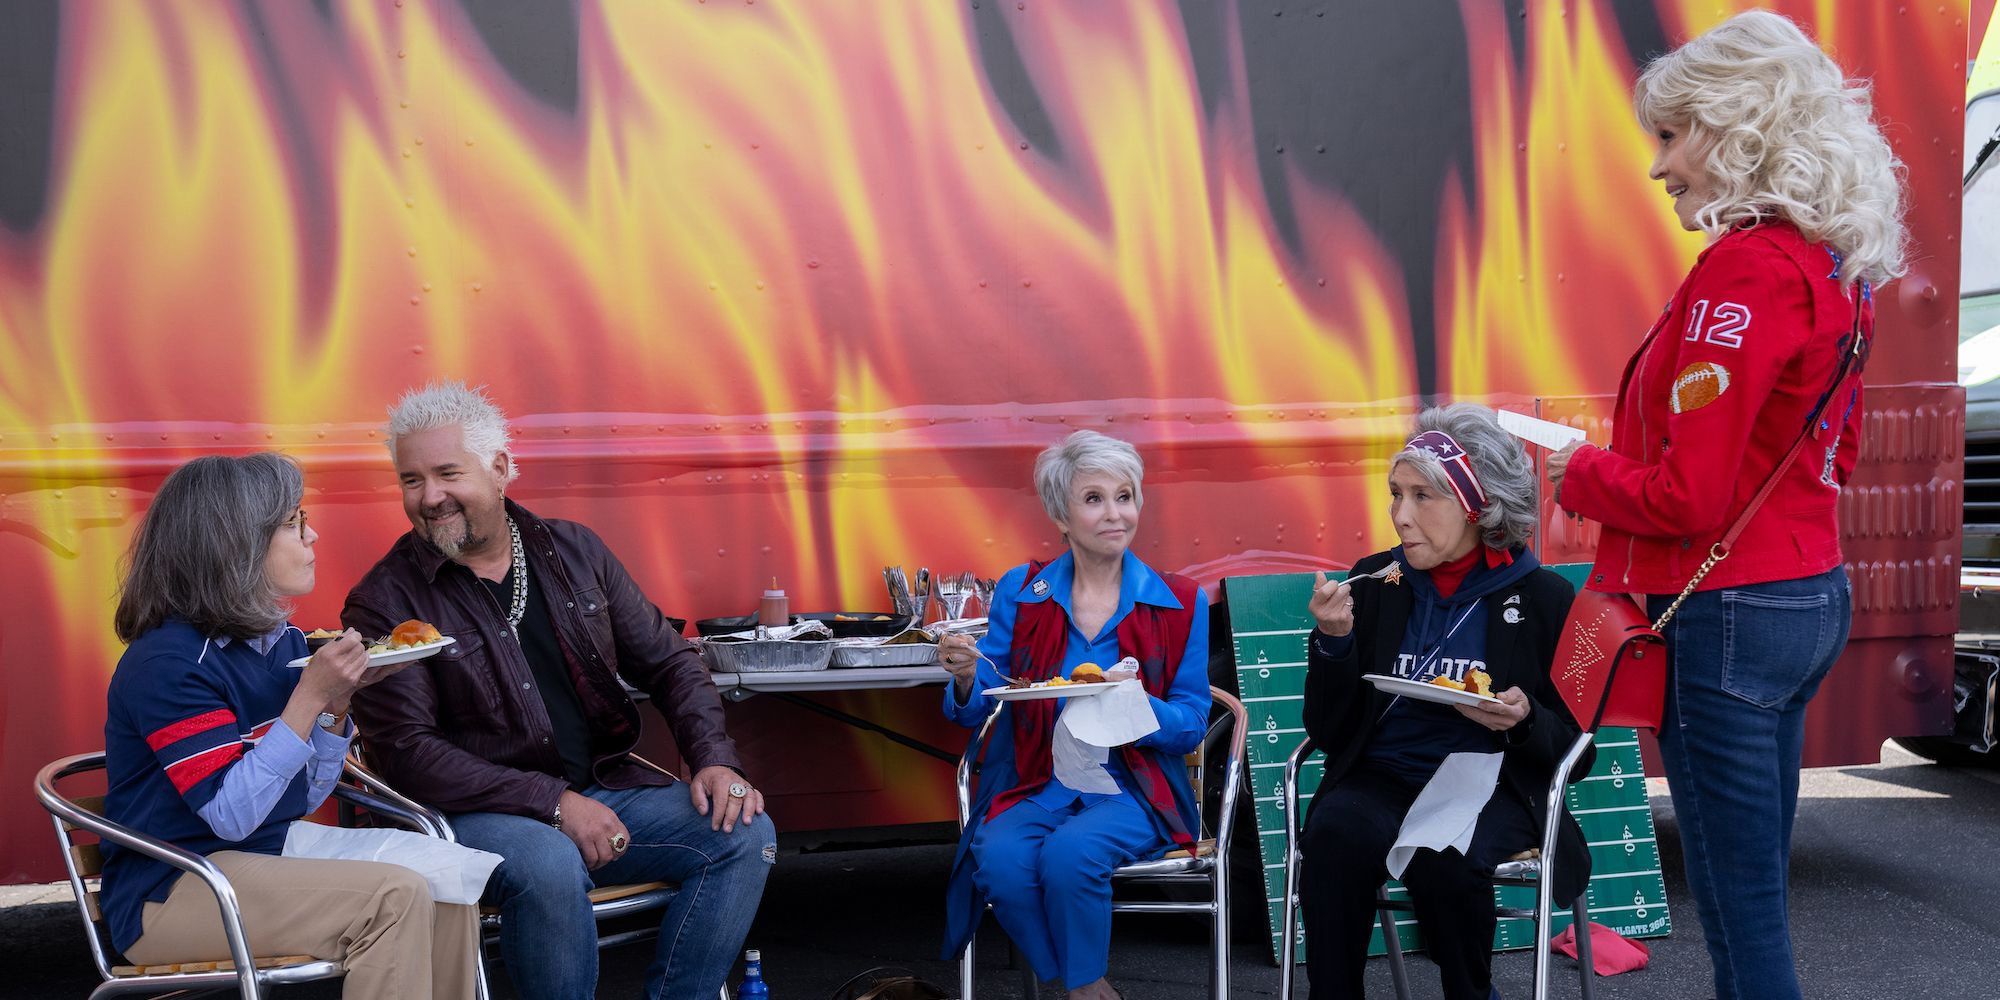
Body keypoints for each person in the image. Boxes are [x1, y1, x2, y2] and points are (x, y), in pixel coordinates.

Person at [1546, 12, 1906, 1000]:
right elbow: (1833, 454)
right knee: (1753, 895)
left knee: (1743, 924)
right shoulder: (1832, 262)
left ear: (1735, 127)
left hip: (1729, 613)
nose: (1658, 167)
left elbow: (1682, 495)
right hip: (1803, 594)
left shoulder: (1744, 270)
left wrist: (1570, 471)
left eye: (1670, 138)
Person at [343, 381, 775, 1000]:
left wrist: (713, 757)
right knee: (548, 862)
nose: (430, 497)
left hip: (599, 789)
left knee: (744, 832)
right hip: (470, 817)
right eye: (411, 480)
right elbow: (408, 753)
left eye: (447, 473)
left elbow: (672, 663)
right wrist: (553, 803)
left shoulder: (575, 551)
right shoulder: (385, 599)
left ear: (497, 470)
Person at [101, 453, 477, 999]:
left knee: (451, 882)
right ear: (236, 543)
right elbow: (231, 817)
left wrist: (337, 704)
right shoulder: (169, 662)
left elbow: (298, 799)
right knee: (392, 896)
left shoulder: (284, 647)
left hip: (263, 857)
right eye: (294, 522)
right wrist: (309, 699)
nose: (314, 534)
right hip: (172, 889)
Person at [1299, 405, 1590, 1000]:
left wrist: (1523, 719)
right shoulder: (1374, 582)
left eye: (1423, 496)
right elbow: (1329, 732)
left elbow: (1576, 752)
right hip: (1384, 774)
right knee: (1334, 834)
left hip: (1490, 783)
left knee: (1442, 856)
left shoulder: (1544, 599)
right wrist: (1333, 646)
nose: (1401, 516)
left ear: (1478, 504)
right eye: (1395, 494)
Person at [937, 430, 1212, 1000]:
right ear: (1060, 514)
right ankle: (1084, 990)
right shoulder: (1024, 590)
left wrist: (1131, 703)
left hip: (1136, 787)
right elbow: (988, 696)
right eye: (1093, 499)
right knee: (1004, 862)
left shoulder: (1182, 602)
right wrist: (967, 675)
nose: (1115, 514)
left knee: (1070, 855)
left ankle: (1081, 990)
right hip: (1036, 780)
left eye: (1125, 496)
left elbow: (1190, 723)